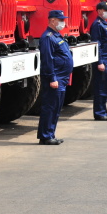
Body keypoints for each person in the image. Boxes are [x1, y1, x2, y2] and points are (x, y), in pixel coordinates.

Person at [37, 10, 73, 144]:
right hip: (55, 77)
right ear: (52, 20)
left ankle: (50, 134)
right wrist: (52, 78)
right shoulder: (48, 37)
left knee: (56, 107)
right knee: (50, 107)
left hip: (62, 78)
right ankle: (45, 136)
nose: (63, 22)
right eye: (60, 20)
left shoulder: (57, 36)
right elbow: (47, 60)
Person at [90, 1, 107, 121]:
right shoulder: (97, 24)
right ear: (99, 11)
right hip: (103, 61)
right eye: (106, 10)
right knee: (101, 88)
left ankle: (103, 112)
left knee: (105, 88)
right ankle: (100, 113)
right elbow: (97, 44)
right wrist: (99, 61)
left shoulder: (105, 24)